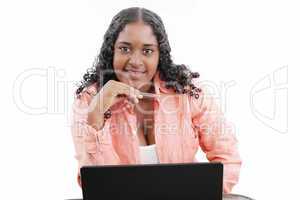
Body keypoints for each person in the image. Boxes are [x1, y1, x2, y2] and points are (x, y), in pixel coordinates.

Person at [71, 7, 242, 193]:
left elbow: (228, 157)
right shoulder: (89, 100)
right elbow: (99, 186)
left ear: (160, 55)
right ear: (111, 51)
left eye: (147, 51)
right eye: (125, 48)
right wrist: (96, 113)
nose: (135, 61)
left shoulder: (187, 92)